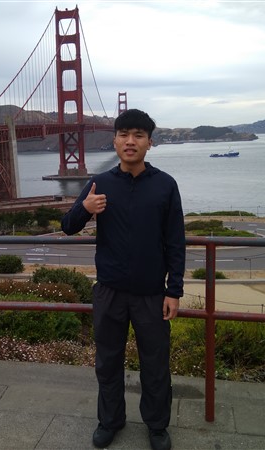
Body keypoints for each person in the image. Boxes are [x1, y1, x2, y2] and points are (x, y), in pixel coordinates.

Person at [61, 109, 186, 450]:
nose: (131, 141)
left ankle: (157, 426)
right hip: (109, 293)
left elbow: (176, 243)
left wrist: (173, 291)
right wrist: (85, 208)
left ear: (150, 142)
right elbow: (68, 226)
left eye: (139, 135)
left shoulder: (165, 185)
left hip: (151, 295)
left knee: (156, 365)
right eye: (124, 134)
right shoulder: (100, 184)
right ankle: (110, 421)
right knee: (108, 363)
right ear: (115, 140)